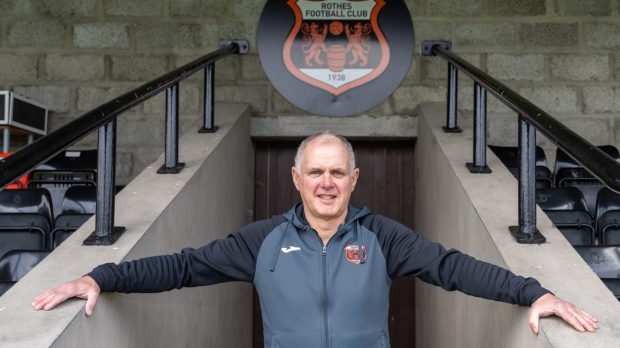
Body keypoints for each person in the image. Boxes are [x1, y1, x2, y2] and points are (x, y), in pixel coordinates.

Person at [33, 132, 598, 347]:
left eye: (337, 172)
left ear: (354, 180)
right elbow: (183, 266)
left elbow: (453, 267)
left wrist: (533, 293)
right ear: (297, 179)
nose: (326, 182)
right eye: (316, 172)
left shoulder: (381, 235)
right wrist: (101, 276)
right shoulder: (263, 240)